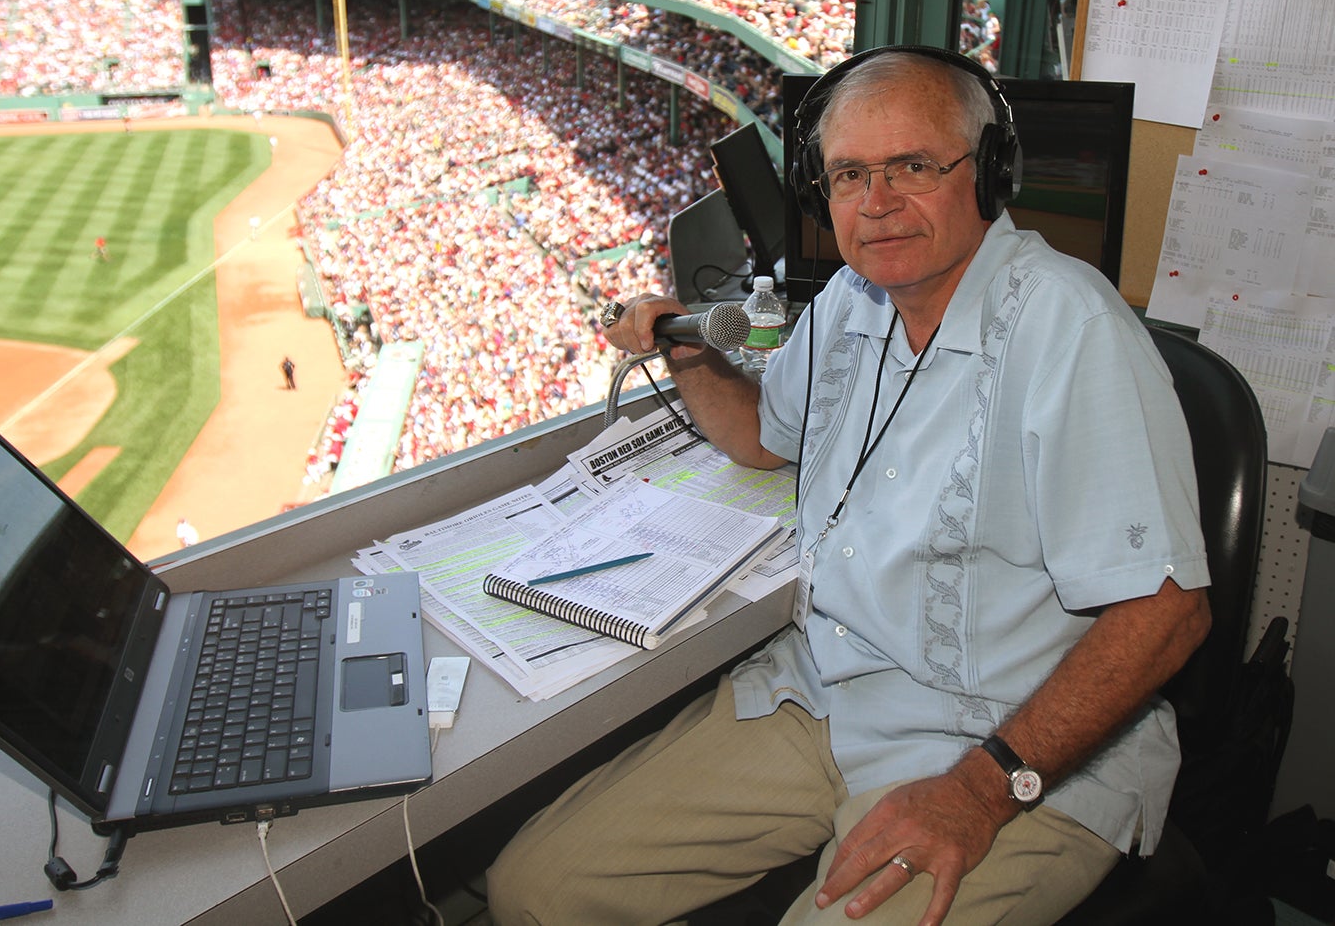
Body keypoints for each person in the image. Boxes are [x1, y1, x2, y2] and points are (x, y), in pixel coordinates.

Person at [487, 46, 1212, 926]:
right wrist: (685, 350)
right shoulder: (848, 303)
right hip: (827, 692)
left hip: (1006, 746)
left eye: (913, 166)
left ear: (987, 175)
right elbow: (765, 435)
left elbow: (1167, 612)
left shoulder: (1074, 329)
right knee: (536, 890)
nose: (877, 203)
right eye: (849, 174)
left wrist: (981, 791)